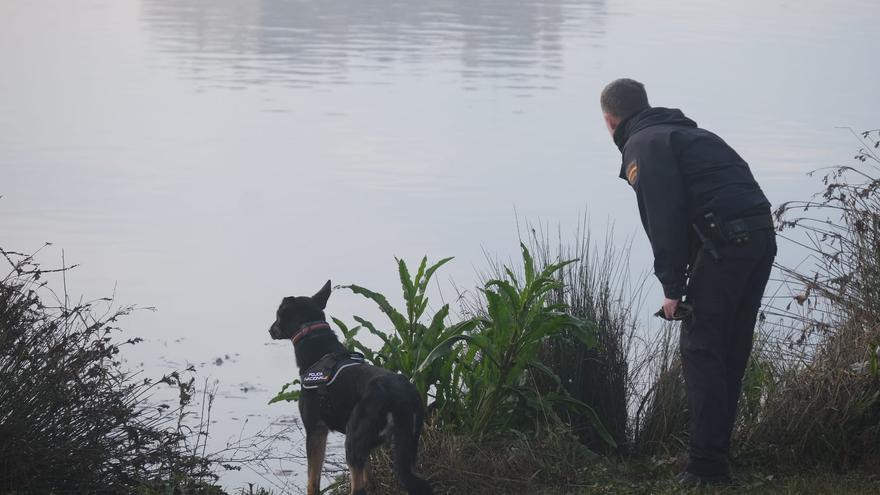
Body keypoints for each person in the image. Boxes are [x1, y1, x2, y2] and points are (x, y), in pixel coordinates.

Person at [600, 78, 776, 485]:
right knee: (728, 349)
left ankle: (706, 467)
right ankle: (714, 457)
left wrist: (672, 290)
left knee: (700, 349)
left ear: (610, 121)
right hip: (760, 239)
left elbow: (664, 219)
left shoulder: (643, 146)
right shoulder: (692, 135)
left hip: (726, 244)